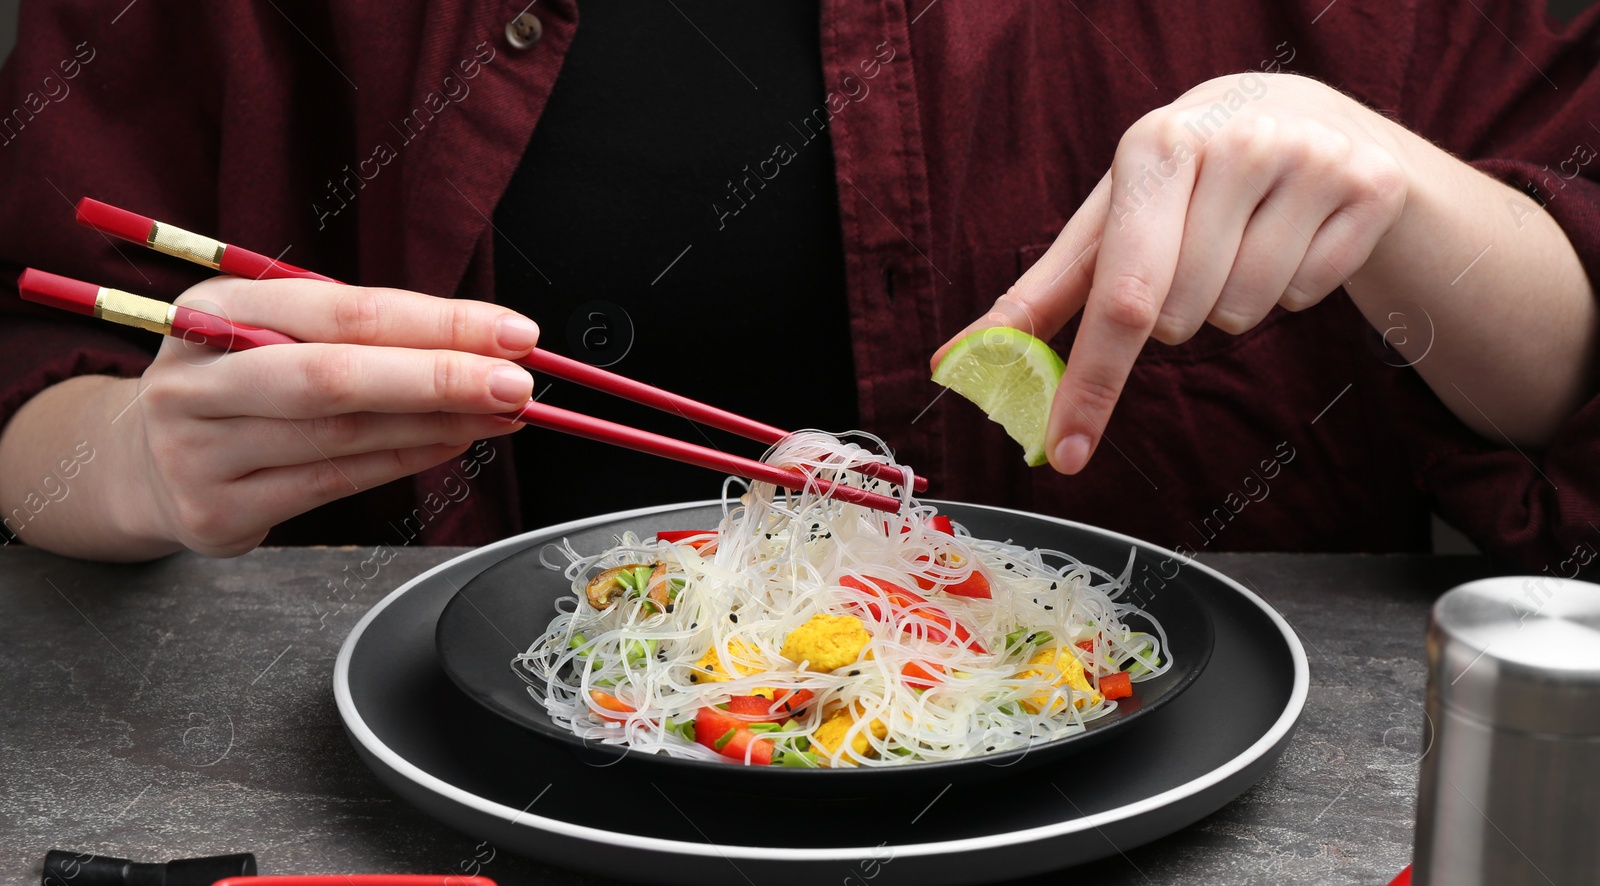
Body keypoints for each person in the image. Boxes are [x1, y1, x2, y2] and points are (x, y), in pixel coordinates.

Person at [0, 1, 1597, 570]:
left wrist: (1391, 189)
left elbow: (1567, 400)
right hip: (446, 864)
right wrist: (134, 465)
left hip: (1196, 877)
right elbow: (32, 384)